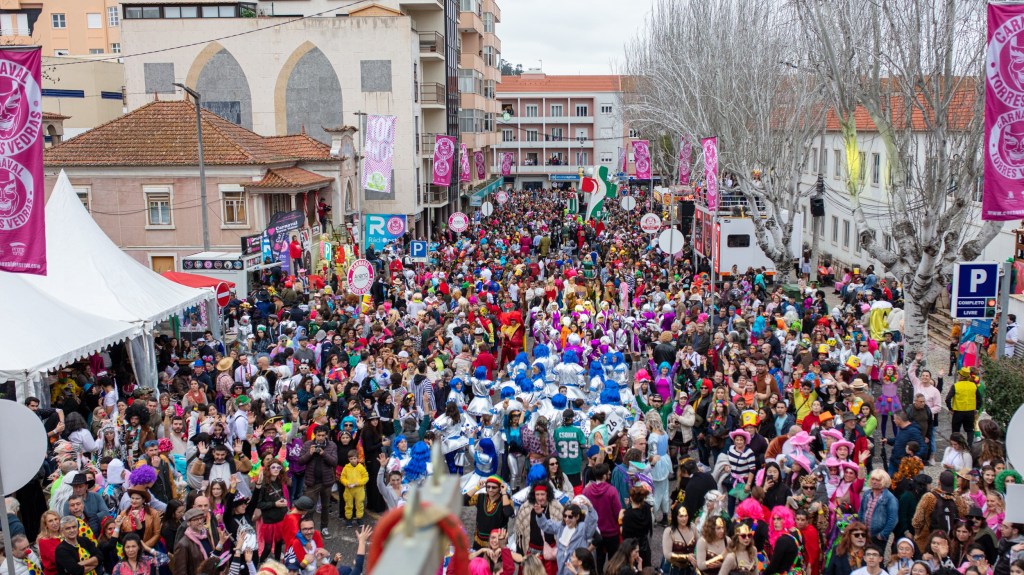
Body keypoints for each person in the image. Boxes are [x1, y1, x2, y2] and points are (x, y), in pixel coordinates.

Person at [534, 500, 599, 575]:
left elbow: (591, 523)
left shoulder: (583, 528)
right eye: (565, 516)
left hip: (577, 566)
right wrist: (539, 515)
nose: (567, 519)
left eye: (570, 516)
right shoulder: (561, 526)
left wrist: (590, 508)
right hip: (562, 566)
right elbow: (545, 525)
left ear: (577, 517)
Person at [582, 463, 622, 572]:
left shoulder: (587, 491)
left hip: (596, 533)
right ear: (604, 476)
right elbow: (618, 512)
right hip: (612, 532)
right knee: (613, 561)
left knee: (598, 561)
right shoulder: (612, 491)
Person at [299, 425, 337, 538]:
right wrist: (309, 453)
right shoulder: (307, 444)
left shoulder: (332, 445)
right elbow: (300, 461)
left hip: (326, 482)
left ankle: (324, 528)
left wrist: (323, 453)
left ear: (326, 435)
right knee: (309, 507)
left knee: (325, 507)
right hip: (312, 482)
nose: (320, 438)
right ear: (314, 435)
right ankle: (307, 529)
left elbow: (334, 462)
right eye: (318, 435)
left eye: (323, 435)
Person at [859, 470, 898, 550]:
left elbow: (893, 519)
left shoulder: (890, 498)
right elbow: (861, 511)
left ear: (884, 481)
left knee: (876, 558)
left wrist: (883, 534)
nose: (874, 482)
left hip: (877, 536)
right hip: (864, 533)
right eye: (873, 479)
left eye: (877, 480)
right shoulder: (867, 494)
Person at [663, 502, 697, 575]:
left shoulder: (693, 527)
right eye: (681, 516)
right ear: (676, 517)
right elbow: (667, 554)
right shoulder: (669, 531)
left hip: (689, 569)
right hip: (673, 570)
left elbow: (699, 544)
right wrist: (686, 557)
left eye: (686, 516)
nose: (684, 519)